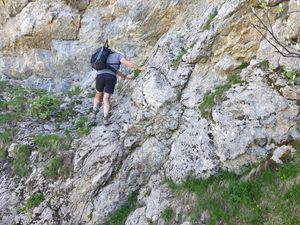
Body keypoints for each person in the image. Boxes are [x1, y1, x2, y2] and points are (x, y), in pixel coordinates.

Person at [90, 46, 145, 126]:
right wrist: (139, 68)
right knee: (106, 98)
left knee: (98, 94)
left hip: (100, 76)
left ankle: (94, 113)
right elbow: (125, 63)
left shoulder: (105, 57)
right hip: (110, 78)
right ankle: (105, 118)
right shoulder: (119, 55)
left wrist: (124, 76)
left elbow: (112, 69)